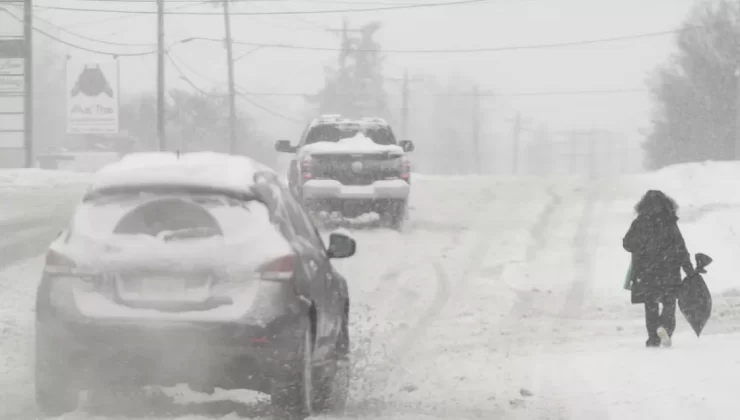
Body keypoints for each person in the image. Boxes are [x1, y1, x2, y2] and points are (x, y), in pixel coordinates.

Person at [623, 190, 694, 348]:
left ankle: (652, 338)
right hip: (669, 270)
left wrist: (641, 247)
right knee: (669, 303)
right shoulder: (669, 221)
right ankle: (665, 328)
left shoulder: (640, 222)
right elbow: (680, 247)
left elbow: (627, 243)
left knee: (651, 305)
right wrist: (688, 269)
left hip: (647, 271)